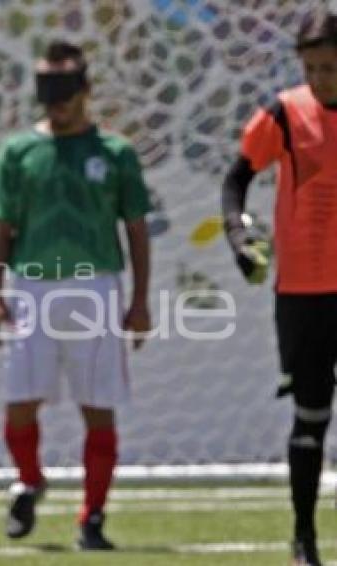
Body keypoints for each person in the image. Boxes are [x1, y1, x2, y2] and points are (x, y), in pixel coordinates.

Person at [0, 40, 151, 550]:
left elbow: (137, 230)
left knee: (97, 407)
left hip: (97, 288)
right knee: (19, 403)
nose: (53, 100)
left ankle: (92, 518)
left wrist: (140, 302)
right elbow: (0, 226)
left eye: (63, 88)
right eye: (45, 88)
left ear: (86, 89)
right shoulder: (19, 152)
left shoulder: (115, 153)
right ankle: (29, 480)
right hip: (31, 289)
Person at [221, 10, 337, 566]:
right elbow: (237, 178)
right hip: (304, 293)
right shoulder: (285, 114)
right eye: (312, 67)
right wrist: (238, 239)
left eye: (331, 67)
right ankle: (304, 538)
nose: (321, 78)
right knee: (311, 413)